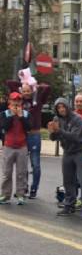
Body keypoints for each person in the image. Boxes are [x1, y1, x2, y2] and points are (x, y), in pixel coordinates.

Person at [6, 69, 51, 199]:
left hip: (35, 136)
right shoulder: (19, 101)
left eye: (28, 91)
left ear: (32, 91)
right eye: (24, 91)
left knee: (35, 164)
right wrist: (24, 80)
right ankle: (23, 188)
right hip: (23, 135)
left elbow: (48, 88)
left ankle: (34, 189)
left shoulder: (38, 101)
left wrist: (35, 84)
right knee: (22, 165)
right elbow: (9, 83)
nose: (26, 93)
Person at [48, 97, 82, 219]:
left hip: (81, 151)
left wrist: (59, 131)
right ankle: (69, 205)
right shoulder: (57, 119)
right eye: (58, 107)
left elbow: (75, 137)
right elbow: (54, 138)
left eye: (63, 106)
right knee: (68, 181)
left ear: (67, 106)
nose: (61, 109)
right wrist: (52, 132)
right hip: (67, 151)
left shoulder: (78, 119)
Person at [0, 92, 31, 205]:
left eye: (18, 100)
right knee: (6, 173)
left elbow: (28, 128)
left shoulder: (26, 114)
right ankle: (5, 195)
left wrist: (21, 116)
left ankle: (20, 194)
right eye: (14, 100)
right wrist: (13, 115)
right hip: (8, 146)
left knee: (21, 173)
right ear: (10, 102)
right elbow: (4, 127)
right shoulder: (5, 113)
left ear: (21, 102)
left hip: (22, 146)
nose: (16, 103)